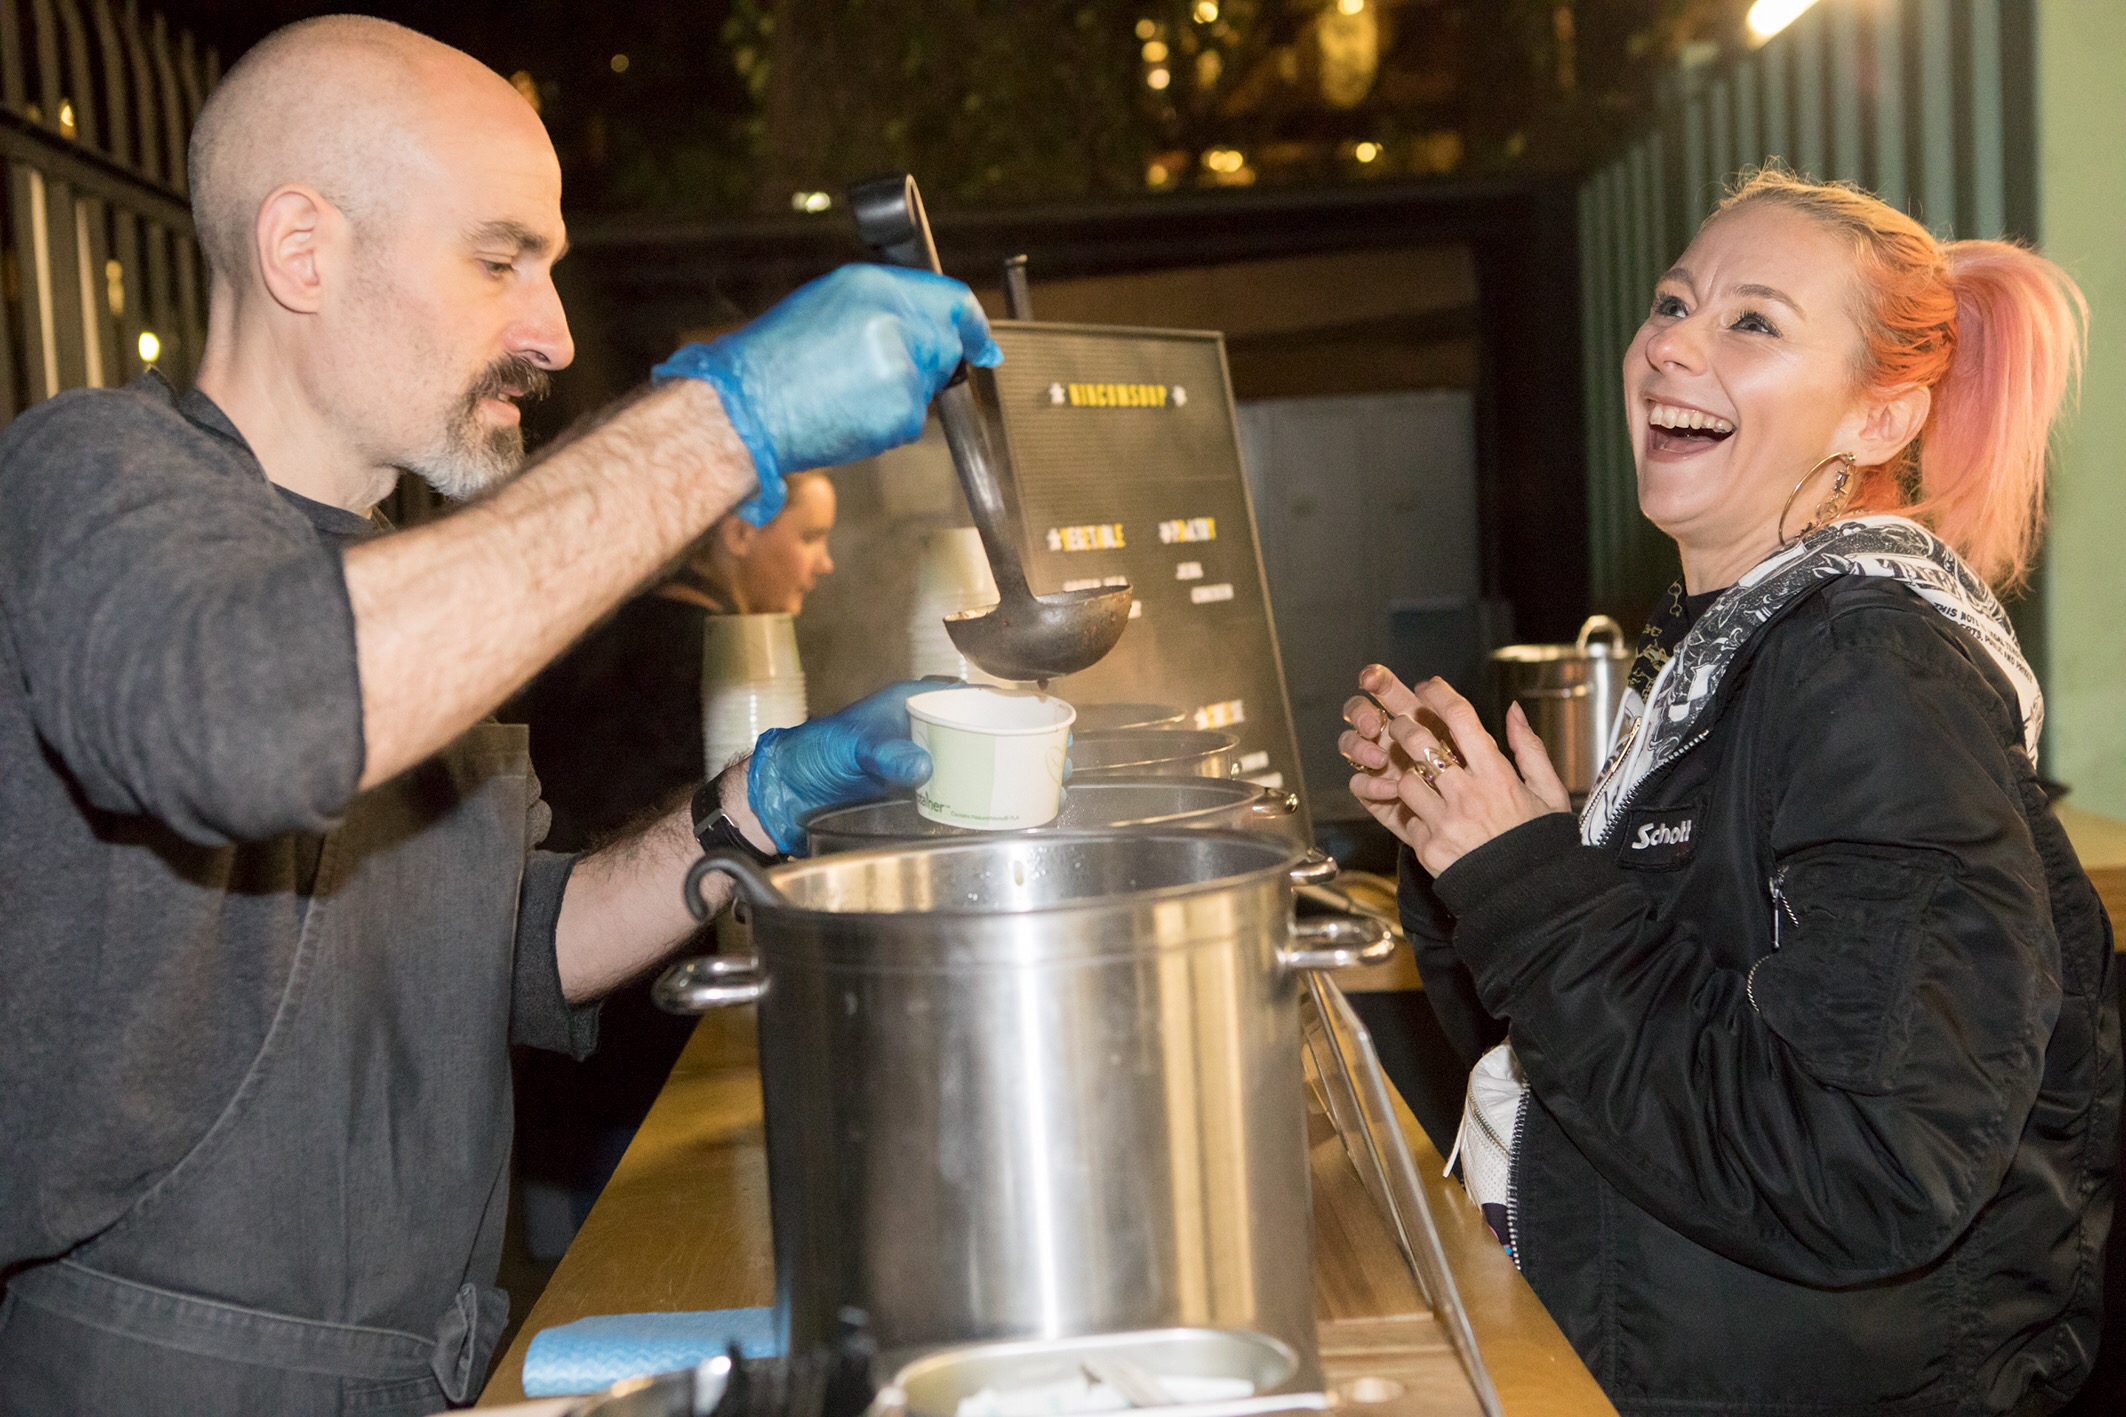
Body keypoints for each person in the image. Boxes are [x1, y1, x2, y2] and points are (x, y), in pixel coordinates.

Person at [0, 16, 997, 1415]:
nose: (554, 333)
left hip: (429, 1372)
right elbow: (248, 717)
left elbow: (516, 948)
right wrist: (724, 422)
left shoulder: (409, 585)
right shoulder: (87, 472)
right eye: (497, 261)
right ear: (303, 252)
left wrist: (761, 803)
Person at [1341, 169, 2116, 1414]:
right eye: (1671, 303)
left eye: (1750, 320)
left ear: (1875, 418)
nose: (1668, 344)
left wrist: (1530, 886)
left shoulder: (1870, 671)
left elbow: (1866, 1166)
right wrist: (1467, 861)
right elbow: (1602, 1068)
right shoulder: (1727, 651)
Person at [507, 471, 840, 1256]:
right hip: (650, 1049)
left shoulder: (597, 634)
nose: (824, 563)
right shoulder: (717, 660)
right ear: (737, 531)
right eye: (810, 536)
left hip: (552, 1055)